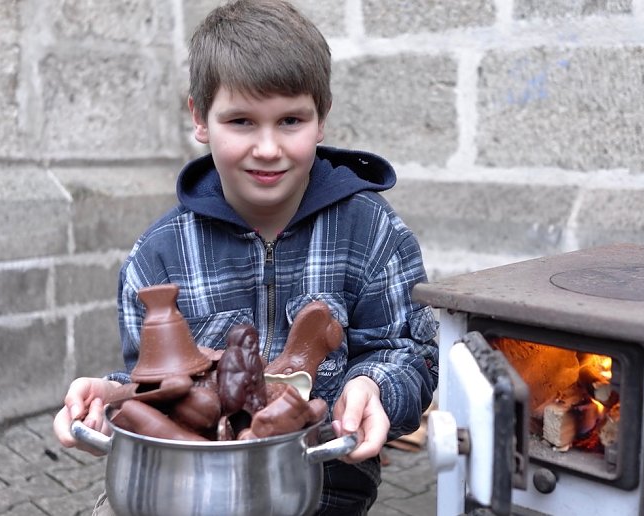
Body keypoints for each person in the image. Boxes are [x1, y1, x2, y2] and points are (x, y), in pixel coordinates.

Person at [52, 0, 439, 513]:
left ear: (320, 119)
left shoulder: (372, 233)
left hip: (322, 476)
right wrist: (107, 393)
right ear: (200, 118)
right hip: (190, 484)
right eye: (240, 121)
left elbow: (410, 354)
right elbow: (160, 390)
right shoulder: (158, 257)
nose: (267, 148)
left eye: (290, 120)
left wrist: (374, 386)